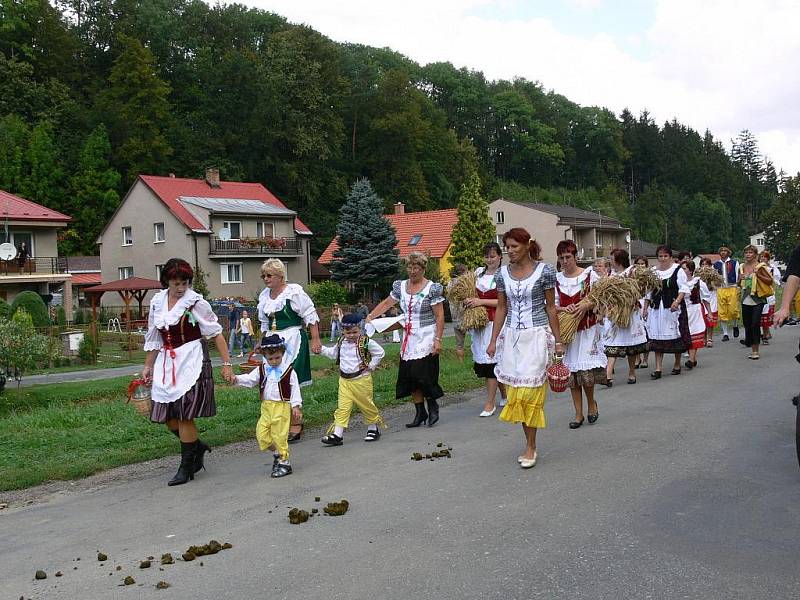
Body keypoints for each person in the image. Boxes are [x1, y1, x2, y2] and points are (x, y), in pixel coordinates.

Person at [142, 258, 234, 486]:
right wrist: (147, 366)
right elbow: (154, 339)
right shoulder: (157, 303)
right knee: (166, 417)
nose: (181, 288)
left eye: (185, 283)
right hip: (167, 362)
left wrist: (227, 364)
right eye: (176, 283)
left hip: (191, 360)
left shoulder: (195, 303)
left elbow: (216, 334)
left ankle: (186, 467)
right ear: (167, 281)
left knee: (185, 415)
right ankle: (197, 447)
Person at [487, 228, 562, 469]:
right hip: (512, 338)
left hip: (537, 337)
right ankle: (529, 443)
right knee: (517, 394)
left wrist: (558, 340)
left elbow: (551, 307)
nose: (509, 251)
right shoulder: (502, 275)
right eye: (507, 246)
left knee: (530, 394)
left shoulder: (545, 271)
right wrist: (493, 339)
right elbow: (501, 308)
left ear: (527, 246)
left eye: (514, 247)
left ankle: (531, 447)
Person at [366, 251, 445, 428]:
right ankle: (419, 412)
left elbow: (439, 316)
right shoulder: (400, 286)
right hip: (408, 337)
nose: (412, 270)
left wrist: (438, 340)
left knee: (423, 374)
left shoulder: (431, 288)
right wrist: (371, 316)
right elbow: (387, 303)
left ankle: (432, 406)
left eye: (416, 267)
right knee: (409, 376)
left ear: (423, 269)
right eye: (409, 267)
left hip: (426, 335)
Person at [257, 258, 322, 442]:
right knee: (272, 381)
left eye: (269, 275)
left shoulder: (294, 292)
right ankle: (277, 420)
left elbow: (310, 315)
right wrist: (260, 342)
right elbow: (263, 323)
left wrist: (315, 339)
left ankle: (295, 423)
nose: (266, 279)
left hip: (292, 339)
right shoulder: (264, 295)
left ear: (280, 276)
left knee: (290, 380)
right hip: (272, 342)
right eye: (263, 276)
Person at [233, 334, 302, 478]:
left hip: (282, 407)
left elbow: (295, 388)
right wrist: (236, 379)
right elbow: (251, 380)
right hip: (266, 407)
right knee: (262, 434)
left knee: (280, 435)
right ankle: (277, 453)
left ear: (282, 354)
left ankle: (285, 463)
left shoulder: (289, 371)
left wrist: (296, 406)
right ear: (264, 356)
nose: (274, 361)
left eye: (277, 357)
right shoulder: (262, 369)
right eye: (270, 359)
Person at [555, 240, 607, 427]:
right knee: (572, 376)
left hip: (586, 330)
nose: (565, 261)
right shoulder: (557, 279)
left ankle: (591, 404)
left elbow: (602, 297)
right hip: (567, 332)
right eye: (561, 258)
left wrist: (586, 304)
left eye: (568, 257)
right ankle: (578, 413)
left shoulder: (589, 275)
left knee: (586, 374)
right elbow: (552, 305)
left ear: (576, 257)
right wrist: (563, 308)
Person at [315, 313, 386, 445]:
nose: (352, 335)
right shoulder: (341, 342)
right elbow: (333, 354)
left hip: (361, 380)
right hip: (344, 381)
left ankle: (373, 428)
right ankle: (338, 434)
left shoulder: (365, 341)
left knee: (366, 405)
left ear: (360, 329)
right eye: (348, 332)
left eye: (355, 332)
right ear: (343, 331)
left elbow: (380, 352)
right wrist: (322, 350)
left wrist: (371, 366)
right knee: (343, 407)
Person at [462, 243, 506, 416]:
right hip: (480, 324)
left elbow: (505, 303)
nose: (490, 260)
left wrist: (481, 302)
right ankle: (505, 395)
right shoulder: (478, 274)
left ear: (500, 256)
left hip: (496, 323)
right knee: (487, 361)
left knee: (492, 362)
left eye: (493, 256)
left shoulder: (504, 275)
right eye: (487, 256)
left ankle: (490, 404)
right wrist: (468, 301)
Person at [603, 249, 649, 385]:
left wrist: (631, 299)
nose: (610, 261)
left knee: (631, 346)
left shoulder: (632, 272)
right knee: (612, 343)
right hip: (616, 313)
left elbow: (641, 290)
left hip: (630, 312)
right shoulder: (611, 276)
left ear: (619, 260)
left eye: (612, 259)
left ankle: (632, 373)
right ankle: (608, 374)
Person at [647, 245, 690, 378]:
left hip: (672, 307)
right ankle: (658, 368)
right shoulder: (653, 271)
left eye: (666, 256)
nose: (663, 258)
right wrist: (645, 308)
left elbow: (683, 288)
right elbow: (649, 290)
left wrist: (676, 302)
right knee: (657, 337)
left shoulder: (678, 270)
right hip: (656, 308)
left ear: (671, 257)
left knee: (675, 335)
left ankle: (677, 364)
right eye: (660, 256)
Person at [737, 245, 774, 360]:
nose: (748, 254)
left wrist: (758, 275)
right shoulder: (742, 267)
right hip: (746, 299)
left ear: (755, 254)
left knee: (755, 324)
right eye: (746, 252)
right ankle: (749, 341)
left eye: (750, 252)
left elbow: (770, 281)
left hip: (758, 299)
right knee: (747, 325)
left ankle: (755, 350)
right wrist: (740, 279)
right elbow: (740, 284)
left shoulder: (760, 267)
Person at [682, 260, 712, 369]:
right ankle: (693, 358)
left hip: (695, 310)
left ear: (690, 270)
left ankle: (690, 359)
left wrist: (709, 312)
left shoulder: (699, 282)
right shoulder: (679, 282)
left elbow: (706, 298)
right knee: (687, 334)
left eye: (684, 268)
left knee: (694, 332)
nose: (682, 270)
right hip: (683, 311)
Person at [714, 247, 741, 341]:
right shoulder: (716, 264)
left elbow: (738, 275)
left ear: (728, 253)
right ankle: (725, 333)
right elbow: (714, 277)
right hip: (721, 288)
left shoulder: (734, 263)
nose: (723, 252)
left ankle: (735, 325)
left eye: (725, 251)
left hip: (732, 287)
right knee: (722, 311)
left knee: (733, 310)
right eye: (721, 251)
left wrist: (738, 285)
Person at [759, 251, 782, 344]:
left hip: (769, 293)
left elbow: (776, 280)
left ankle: (766, 333)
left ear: (768, 258)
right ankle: (765, 333)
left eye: (764, 257)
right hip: (760, 293)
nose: (763, 258)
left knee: (767, 315)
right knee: (761, 314)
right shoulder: (758, 267)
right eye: (761, 257)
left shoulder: (772, 268)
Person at [633, 255, 651, 369]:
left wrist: (645, 309)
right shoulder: (632, 276)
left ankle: (645, 359)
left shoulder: (649, 277)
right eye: (638, 264)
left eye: (642, 264)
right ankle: (637, 358)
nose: (640, 266)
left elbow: (649, 294)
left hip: (645, 304)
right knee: (635, 333)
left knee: (646, 333)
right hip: (635, 306)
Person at [447, 264, 468, 361]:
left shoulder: (450, 283)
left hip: (454, 315)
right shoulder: (465, 283)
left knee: (459, 343)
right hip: (467, 314)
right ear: (464, 271)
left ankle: (461, 361)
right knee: (477, 338)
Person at [699, 257, 719, 347]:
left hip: (711, 296)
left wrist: (712, 281)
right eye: (702, 264)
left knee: (710, 318)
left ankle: (710, 338)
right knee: (703, 319)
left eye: (706, 264)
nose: (704, 266)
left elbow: (719, 284)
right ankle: (704, 338)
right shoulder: (697, 274)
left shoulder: (714, 273)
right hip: (702, 298)